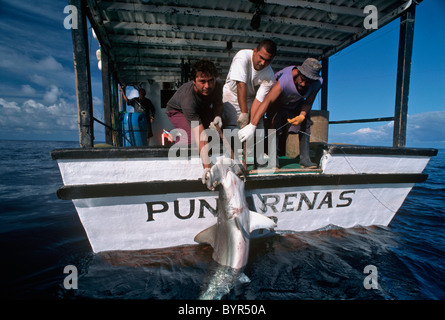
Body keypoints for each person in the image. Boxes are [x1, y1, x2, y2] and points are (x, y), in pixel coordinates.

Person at [238, 58, 323, 169]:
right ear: (298, 73)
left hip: (296, 102)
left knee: (306, 123)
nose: (303, 84)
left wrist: (302, 115)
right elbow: (268, 100)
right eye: (302, 79)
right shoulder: (286, 79)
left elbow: (309, 102)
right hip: (278, 100)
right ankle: (274, 160)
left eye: (308, 82)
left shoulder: (317, 83)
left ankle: (305, 160)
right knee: (273, 123)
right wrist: (253, 124)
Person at [166, 59, 224, 182]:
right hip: (178, 111)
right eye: (202, 82)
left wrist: (217, 116)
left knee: (215, 135)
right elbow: (200, 135)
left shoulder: (218, 85)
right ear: (193, 81)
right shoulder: (188, 100)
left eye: (210, 81)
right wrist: (207, 168)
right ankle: (179, 137)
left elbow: (218, 103)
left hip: (201, 109)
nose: (207, 86)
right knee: (193, 139)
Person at [222, 39, 277, 130]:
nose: (263, 63)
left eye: (268, 61)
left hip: (250, 98)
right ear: (255, 51)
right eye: (261, 58)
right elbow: (240, 85)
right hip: (231, 94)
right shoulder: (242, 57)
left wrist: (251, 125)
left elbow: (258, 100)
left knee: (257, 129)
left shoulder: (270, 75)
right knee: (231, 128)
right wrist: (244, 114)